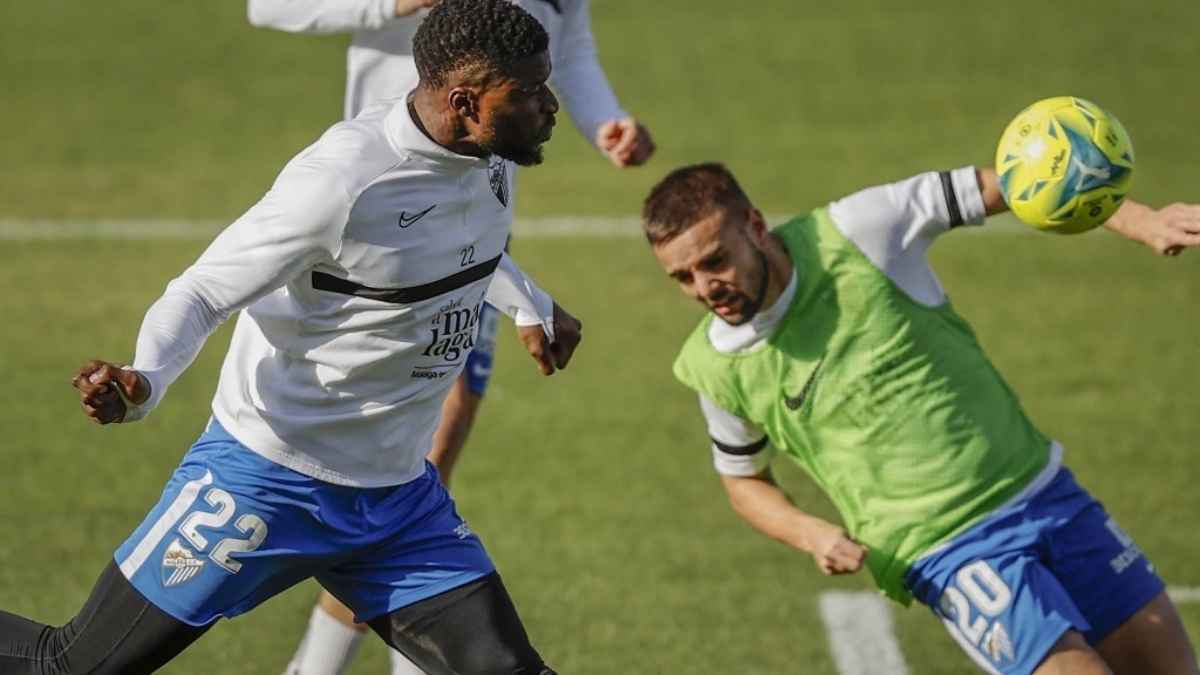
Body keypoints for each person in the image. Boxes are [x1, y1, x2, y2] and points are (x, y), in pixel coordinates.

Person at [0, 1, 582, 673]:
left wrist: (529, 303)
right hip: (269, 485)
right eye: (531, 90)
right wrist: (146, 382)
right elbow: (204, 289)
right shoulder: (341, 183)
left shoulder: (490, 153)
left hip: (397, 502)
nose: (549, 104)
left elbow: (462, 246)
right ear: (464, 100)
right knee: (72, 666)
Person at [641, 161, 1200, 674]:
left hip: (1047, 491)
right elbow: (743, 481)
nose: (705, 289)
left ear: (756, 226)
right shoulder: (714, 367)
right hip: (946, 548)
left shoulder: (860, 230)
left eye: (715, 261)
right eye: (683, 277)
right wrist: (811, 534)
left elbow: (1021, 180)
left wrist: (1139, 221)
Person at [246, 2, 653, 672]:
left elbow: (568, 48)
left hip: (469, 248)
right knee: (386, 485)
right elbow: (270, 7)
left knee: (416, 475)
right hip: (369, 246)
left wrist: (604, 119)